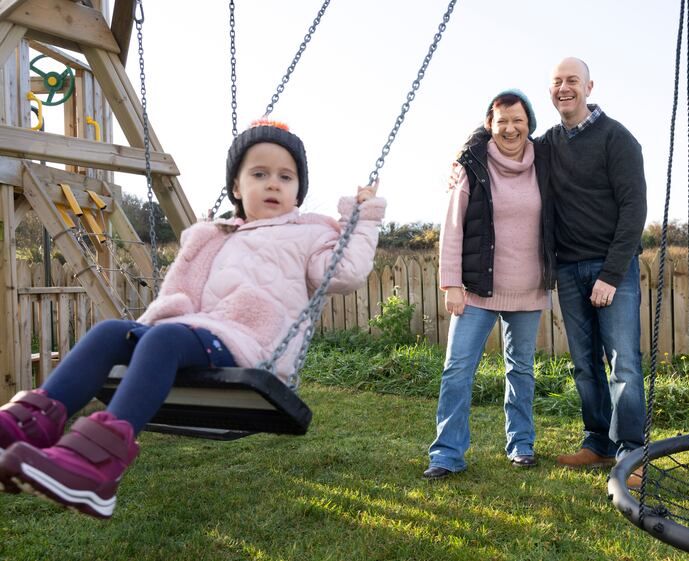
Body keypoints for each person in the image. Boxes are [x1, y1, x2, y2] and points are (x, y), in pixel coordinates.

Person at [0, 118, 386, 517]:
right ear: (236, 187)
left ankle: (97, 465)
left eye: (286, 177)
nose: (274, 183)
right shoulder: (216, 235)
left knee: (162, 340)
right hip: (203, 333)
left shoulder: (309, 235)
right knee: (113, 331)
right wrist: (160, 323)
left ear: (298, 191)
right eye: (260, 173)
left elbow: (346, 272)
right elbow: (181, 293)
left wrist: (364, 218)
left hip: (254, 343)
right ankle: (28, 424)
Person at [423, 89, 554, 480]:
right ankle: (447, 453)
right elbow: (453, 225)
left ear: (529, 123)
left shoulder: (546, 162)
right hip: (478, 288)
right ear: (489, 125)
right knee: (458, 369)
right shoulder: (470, 165)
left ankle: (521, 445)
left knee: (521, 370)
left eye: (518, 120)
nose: (510, 128)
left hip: (529, 287)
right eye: (502, 121)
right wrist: (452, 284)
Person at [540, 57, 647, 483]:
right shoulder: (547, 144)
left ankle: (632, 453)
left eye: (572, 81)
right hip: (568, 268)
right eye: (556, 82)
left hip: (611, 268)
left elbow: (633, 209)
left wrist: (610, 274)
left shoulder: (617, 139)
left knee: (623, 363)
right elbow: (502, 142)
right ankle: (598, 442)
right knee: (585, 364)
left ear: (589, 87)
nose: (564, 88)